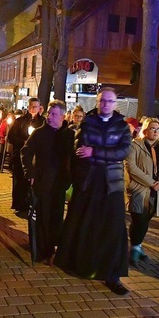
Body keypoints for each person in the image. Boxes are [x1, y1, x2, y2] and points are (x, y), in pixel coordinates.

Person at [55, 88, 132, 295]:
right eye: (102, 101)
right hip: (89, 181)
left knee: (114, 229)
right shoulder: (88, 123)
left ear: (115, 103)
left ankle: (113, 275)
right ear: (98, 102)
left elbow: (123, 151)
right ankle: (81, 265)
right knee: (83, 223)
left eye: (110, 101)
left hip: (112, 183)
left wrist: (96, 152)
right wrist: (99, 156)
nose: (106, 104)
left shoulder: (122, 126)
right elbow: (80, 151)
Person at [20, 100, 74, 264]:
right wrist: (29, 172)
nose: (50, 117)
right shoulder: (39, 133)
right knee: (43, 217)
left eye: (54, 114)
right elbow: (25, 152)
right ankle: (43, 251)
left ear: (62, 116)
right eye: (49, 113)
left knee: (56, 217)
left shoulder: (68, 134)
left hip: (60, 183)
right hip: (42, 182)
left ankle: (53, 249)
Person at [125, 117, 159, 265]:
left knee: (146, 218)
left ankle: (138, 246)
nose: (155, 131)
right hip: (140, 189)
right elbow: (131, 167)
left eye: (158, 129)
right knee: (139, 218)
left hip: (157, 190)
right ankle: (134, 248)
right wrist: (151, 182)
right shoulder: (135, 146)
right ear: (145, 130)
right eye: (152, 128)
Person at [7, 97, 44, 215]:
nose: (33, 109)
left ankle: (31, 203)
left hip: (35, 157)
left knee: (32, 181)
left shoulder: (43, 122)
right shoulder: (20, 121)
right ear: (28, 107)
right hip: (20, 156)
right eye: (31, 106)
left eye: (36, 107)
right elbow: (11, 137)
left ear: (39, 108)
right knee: (19, 180)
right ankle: (19, 204)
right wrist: (22, 142)